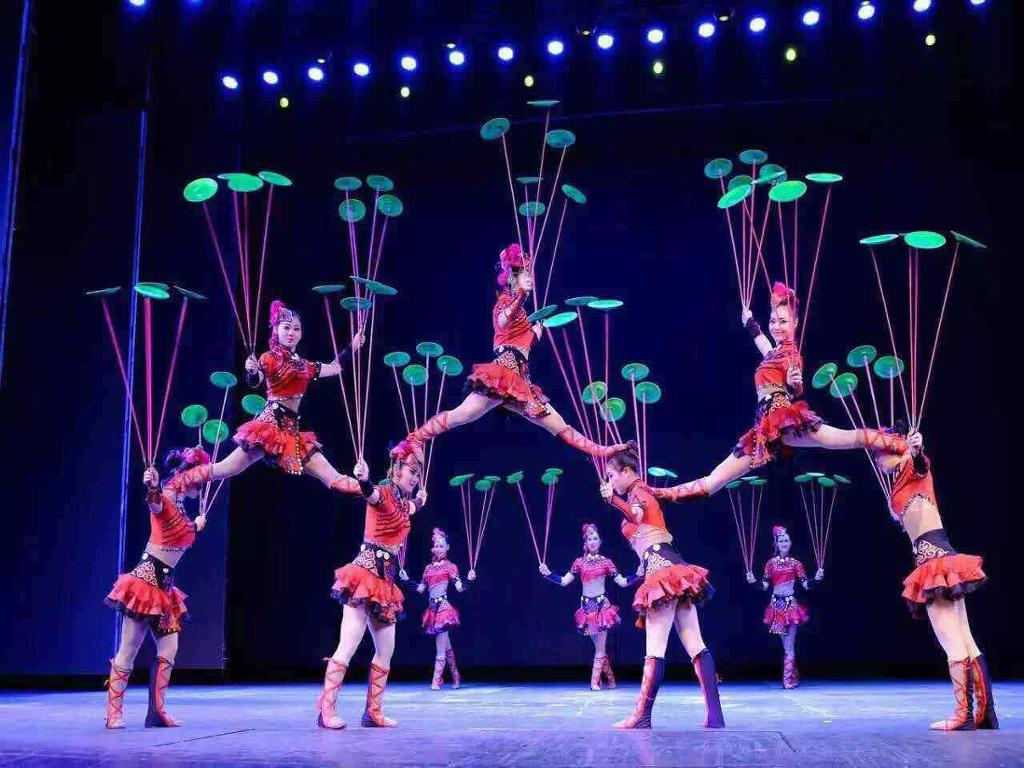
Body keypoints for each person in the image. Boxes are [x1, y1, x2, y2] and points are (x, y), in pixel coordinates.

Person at [654, 283, 907, 502]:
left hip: (782, 419)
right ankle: (658, 494)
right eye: (773, 321)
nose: (776, 327)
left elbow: (794, 379)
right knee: (716, 478)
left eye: (783, 322)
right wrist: (750, 322)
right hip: (763, 427)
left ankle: (896, 441)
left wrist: (794, 382)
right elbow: (764, 343)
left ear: (795, 323)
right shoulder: (774, 353)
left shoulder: (792, 353)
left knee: (843, 439)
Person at [405, 244, 628, 459]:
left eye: (529, 273)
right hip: (503, 373)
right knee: (464, 414)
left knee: (558, 424)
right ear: (513, 277)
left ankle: (603, 451)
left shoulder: (522, 313)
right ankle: (416, 438)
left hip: (520, 379)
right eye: (524, 273)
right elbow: (502, 322)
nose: (530, 277)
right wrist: (522, 294)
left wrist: (534, 334)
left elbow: (519, 341)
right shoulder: (504, 301)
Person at [872, 427, 996, 730]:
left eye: (879, 453)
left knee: (952, 641)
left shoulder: (911, 466)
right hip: (942, 558)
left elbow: (920, 462)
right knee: (966, 639)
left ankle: (963, 715)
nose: (877, 460)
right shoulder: (899, 482)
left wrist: (915, 448)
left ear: (895, 450)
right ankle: (984, 713)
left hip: (933, 563)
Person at [600, 447, 724, 729]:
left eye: (611, 475)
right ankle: (715, 716)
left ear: (626, 472)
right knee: (696, 645)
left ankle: (642, 716)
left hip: (661, 572)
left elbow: (635, 516)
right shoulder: (644, 493)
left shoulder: (639, 492)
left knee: (655, 648)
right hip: (672, 567)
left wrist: (613, 500)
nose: (610, 481)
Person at [315, 440, 427, 729]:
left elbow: (411, 508)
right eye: (412, 471)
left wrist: (419, 501)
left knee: (386, 651)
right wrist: (364, 480)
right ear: (396, 469)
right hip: (364, 578)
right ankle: (326, 711)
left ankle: (373, 712)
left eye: (418, 473)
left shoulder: (403, 502)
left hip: (385, 584)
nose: (415, 477)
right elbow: (371, 494)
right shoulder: (384, 492)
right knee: (348, 645)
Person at [103, 447, 212, 728]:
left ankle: (156, 713)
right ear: (186, 480)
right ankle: (113, 713)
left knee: (169, 649)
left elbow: (180, 530)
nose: (200, 489)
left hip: (165, 591)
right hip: (144, 585)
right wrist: (152, 486)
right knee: (129, 649)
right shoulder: (164, 499)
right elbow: (156, 504)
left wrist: (196, 526)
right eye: (198, 482)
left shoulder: (183, 511)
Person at [209, 299, 363, 489]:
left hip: (291, 431)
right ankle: (179, 481)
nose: (291, 332)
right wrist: (252, 371)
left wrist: (353, 346)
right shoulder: (269, 358)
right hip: (269, 427)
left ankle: (375, 494)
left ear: (301, 333)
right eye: (286, 327)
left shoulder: (304, 365)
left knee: (332, 477)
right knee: (225, 469)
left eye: (296, 329)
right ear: (276, 330)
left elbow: (335, 368)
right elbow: (256, 380)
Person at [539, 522, 635, 690]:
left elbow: (622, 582)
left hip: (602, 609)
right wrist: (548, 574)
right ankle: (611, 680)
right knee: (599, 647)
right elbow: (564, 581)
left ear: (600, 542)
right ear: (585, 542)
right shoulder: (579, 562)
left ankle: (594, 682)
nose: (592, 541)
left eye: (595, 538)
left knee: (600, 648)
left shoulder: (606, 562)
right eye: (589, 539)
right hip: (586, 610)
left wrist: (638, 575)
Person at [746, 525, 823, 688]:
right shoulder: (770, 564)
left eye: (786, 540)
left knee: (789, 645)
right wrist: (753, 582)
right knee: (786, 646)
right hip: (776, 607)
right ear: (776, 543)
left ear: (790, 542)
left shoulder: (796, 564)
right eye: (781, 541)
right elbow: (765, 586)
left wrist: (816, 579)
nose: (784, 543)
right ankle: (793, 676)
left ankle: (787, 680)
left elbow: (806, 584)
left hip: (791, 606)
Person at [404, 528, 475, 690]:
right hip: (432, 609)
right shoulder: (428, 568)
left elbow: (459, 587)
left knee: (440, 647)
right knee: (446, 645)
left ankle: (436, 681)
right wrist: (406, 580)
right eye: (436, 546)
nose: (439, 548)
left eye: (442, 546)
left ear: (447, 547)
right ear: (433, 548)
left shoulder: (450, 567)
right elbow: (421, 589)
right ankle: (456, 678)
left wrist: (469, 580)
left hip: (443, 609)